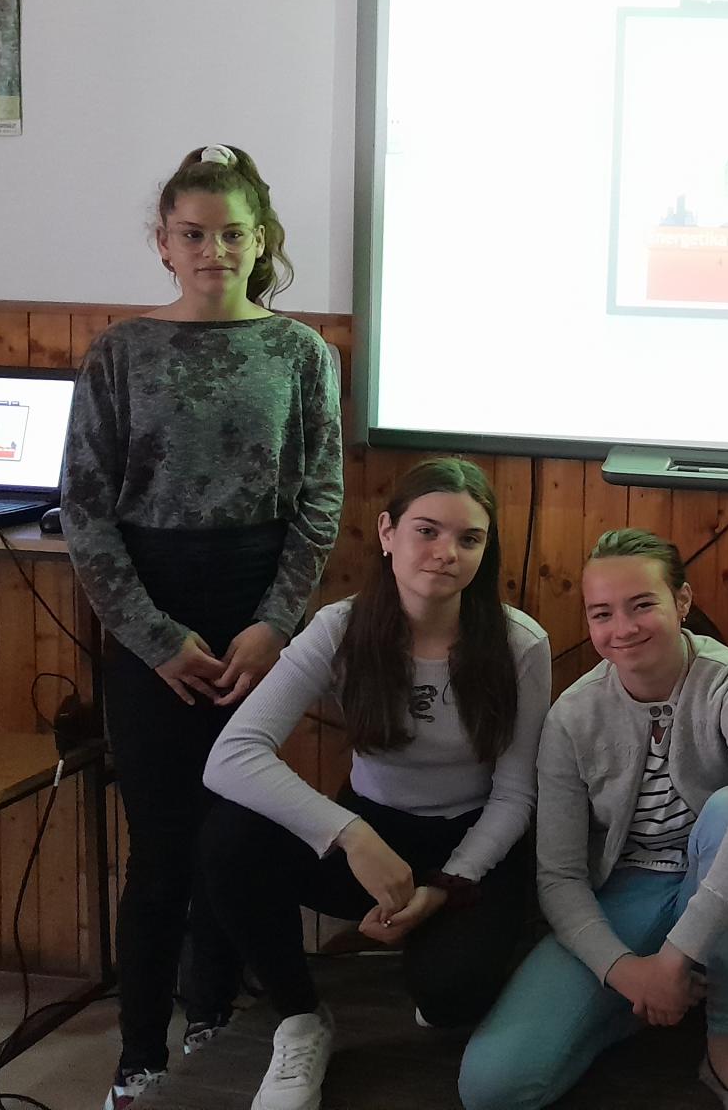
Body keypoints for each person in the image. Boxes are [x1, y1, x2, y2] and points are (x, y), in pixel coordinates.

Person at [63, 144, 343, 1110]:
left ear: (261, 241)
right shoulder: (119, 353)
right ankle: (140, 1054)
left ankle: (215, 1018)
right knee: (162, 846)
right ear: (163, 242)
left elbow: (318, 501)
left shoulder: (301, 353)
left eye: (233, 233)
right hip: (151, 619)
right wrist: (154, 639)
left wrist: (274, 626)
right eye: (194, 233)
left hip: (256, 622)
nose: (213, 250)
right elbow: (85, 511)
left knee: (238, 830)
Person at [200, 457, 550, 1110]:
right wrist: (352, 835)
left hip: (471, 844)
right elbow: (231, 756)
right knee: (229, 838)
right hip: (370, 831)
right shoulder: (340, 627)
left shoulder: (519, 643)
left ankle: (438, 949)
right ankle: (302, 1019)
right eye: (427, 531)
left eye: (469, 538)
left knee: (449, 999)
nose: (446, 552)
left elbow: (514, 797)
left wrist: (443, 889)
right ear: (387, 533)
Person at [459, 529, 728, 1110]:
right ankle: (641, 1007)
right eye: (602, 613)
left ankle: (727, 1049)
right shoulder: (570, 717)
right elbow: (560, 877)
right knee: (492, 1087)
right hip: (625, 893)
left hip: (724, 882)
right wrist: (627, 974)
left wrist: (674, 956)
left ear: (682, 601)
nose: (623, 628)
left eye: (642, 605)